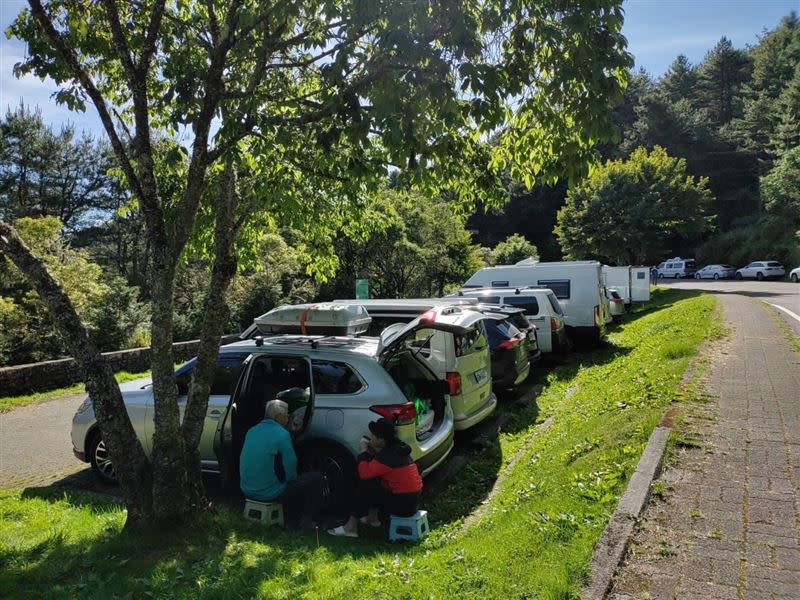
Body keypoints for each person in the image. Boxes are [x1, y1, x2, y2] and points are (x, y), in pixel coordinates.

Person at [328, 417, 422, 538]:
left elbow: (363, 473)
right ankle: (373, 519)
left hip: (403, 505)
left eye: (373, 436)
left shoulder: (386, 457)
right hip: (412, 501)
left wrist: (363, 451)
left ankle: (350, 527)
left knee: (365, 485)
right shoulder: (399, 449)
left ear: (381, 439)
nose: (371, 438)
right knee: (374, 480)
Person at [239, 399, 324, 529]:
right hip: (269, 493)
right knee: (316, 478)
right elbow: (291, 465)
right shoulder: (282, 434)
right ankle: (304, 521)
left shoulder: (252, 431)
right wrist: (292, 481)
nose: (289, 418)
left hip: (246, 489)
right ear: (278, 416)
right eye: (287, 415)